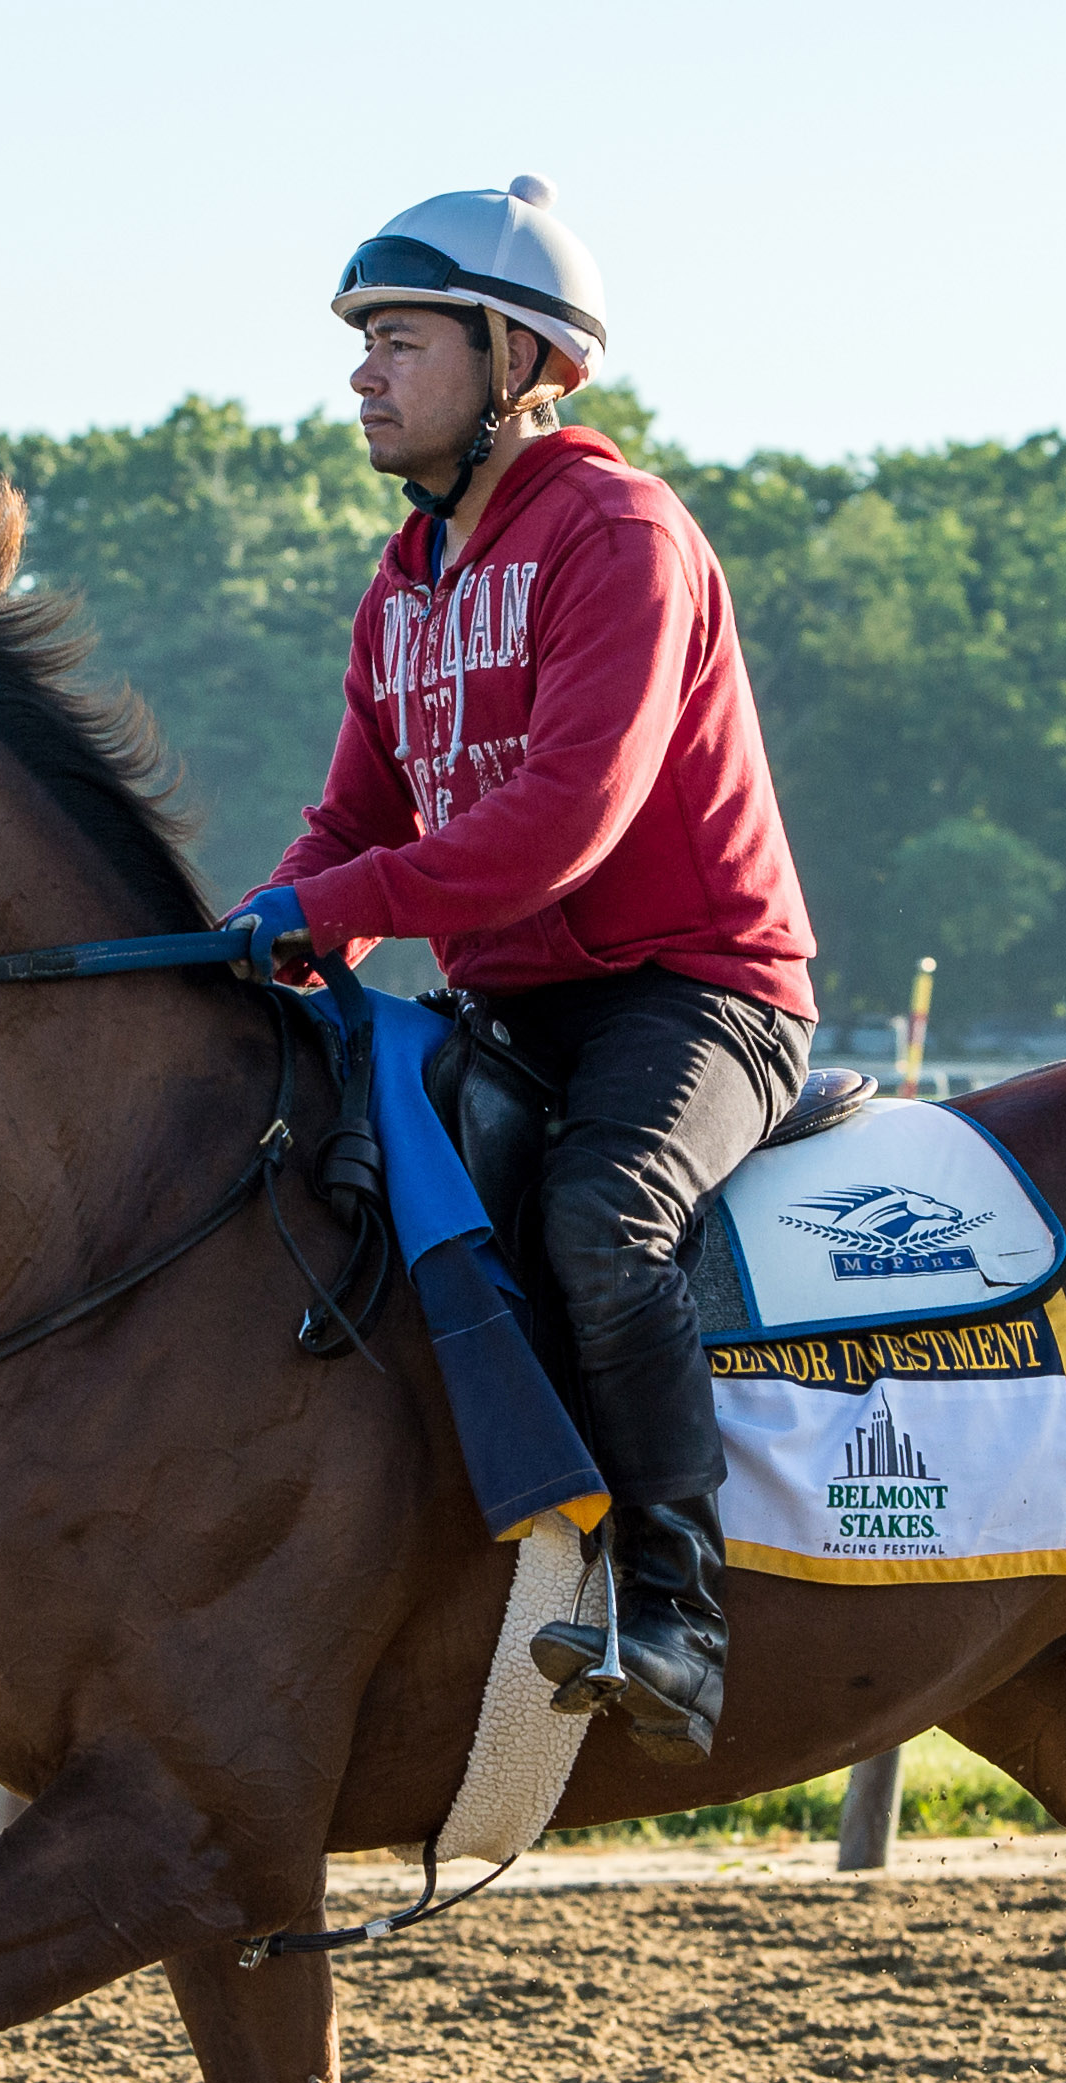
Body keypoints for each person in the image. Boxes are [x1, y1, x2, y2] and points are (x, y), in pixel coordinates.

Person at [216, 177, 817, 1761]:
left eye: (397, 342)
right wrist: (250, 947)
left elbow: (563, 822)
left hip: (694, 992)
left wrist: (326, 908)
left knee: (599, 1225)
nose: (361, 375)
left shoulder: (621, 534)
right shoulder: (401, 586)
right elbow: (347, 821)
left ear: (516, 358)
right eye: (361, 344)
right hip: (509, 1003)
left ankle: (676, 1614)